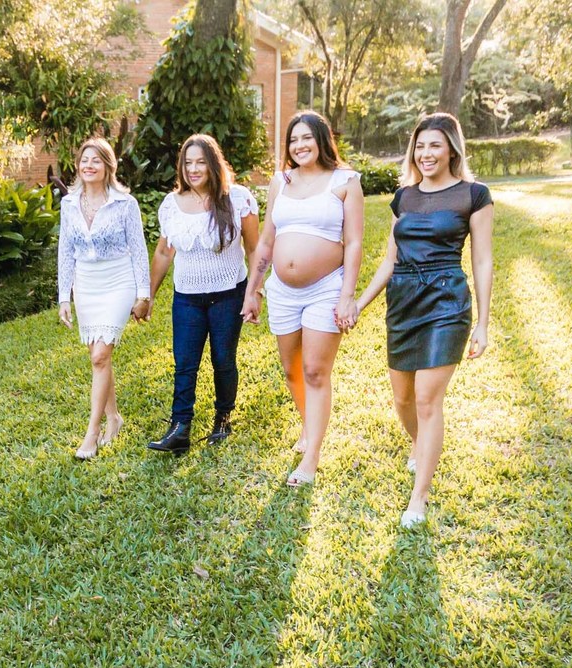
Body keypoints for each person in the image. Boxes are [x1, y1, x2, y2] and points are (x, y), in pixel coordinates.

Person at [352, 112, 494, 527]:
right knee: (403, 399)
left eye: (435, 145)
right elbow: (389, 260)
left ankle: (419, 497)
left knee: (428, 399)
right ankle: (422, 444)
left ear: (452, 149)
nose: (426, 153)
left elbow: (482, 260)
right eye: (420, 146)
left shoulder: (474, 195)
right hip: (403, 302)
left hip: (446, 302)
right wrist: (359, 303)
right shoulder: (404, 198)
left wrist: (483, 323)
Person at [241, 111, 364, 487]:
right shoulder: (281, 181)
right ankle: (308, 425)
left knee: (314, 371)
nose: (299, 145)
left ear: (322, 140)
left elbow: (354, 242)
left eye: (307, 137)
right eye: (293, 140)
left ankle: (311, 458)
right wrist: (253, 290)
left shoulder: (345, 181)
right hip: (282, 290)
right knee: (292, 369)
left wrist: (347, 296)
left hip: (325, 288)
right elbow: (266, 241)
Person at [146, 134, 260, 454]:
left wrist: (255, 292)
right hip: (187, 298)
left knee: (223, 360)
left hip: (229, 294)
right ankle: (180, 427)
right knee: (185, 362)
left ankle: (223, 418)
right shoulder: (172, 204)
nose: (193, 169)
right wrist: (148, 296)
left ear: (213, 164)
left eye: (200, 162)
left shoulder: (237, 199)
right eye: (188, 163)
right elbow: (163, 253)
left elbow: (255, 249)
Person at [57, 137, 152, 460]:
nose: (89, 165)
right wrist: (64, 297)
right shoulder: (69, 204)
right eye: (84, 160)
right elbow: (65, 251)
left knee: (100, 355)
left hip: (118, 280)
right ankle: (114, 418)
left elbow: (139, 250)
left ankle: (91, 433)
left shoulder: (125, 204)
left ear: (108, 166)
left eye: (96, 160)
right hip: (86, 284)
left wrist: (143, 294)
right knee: (99, 359)